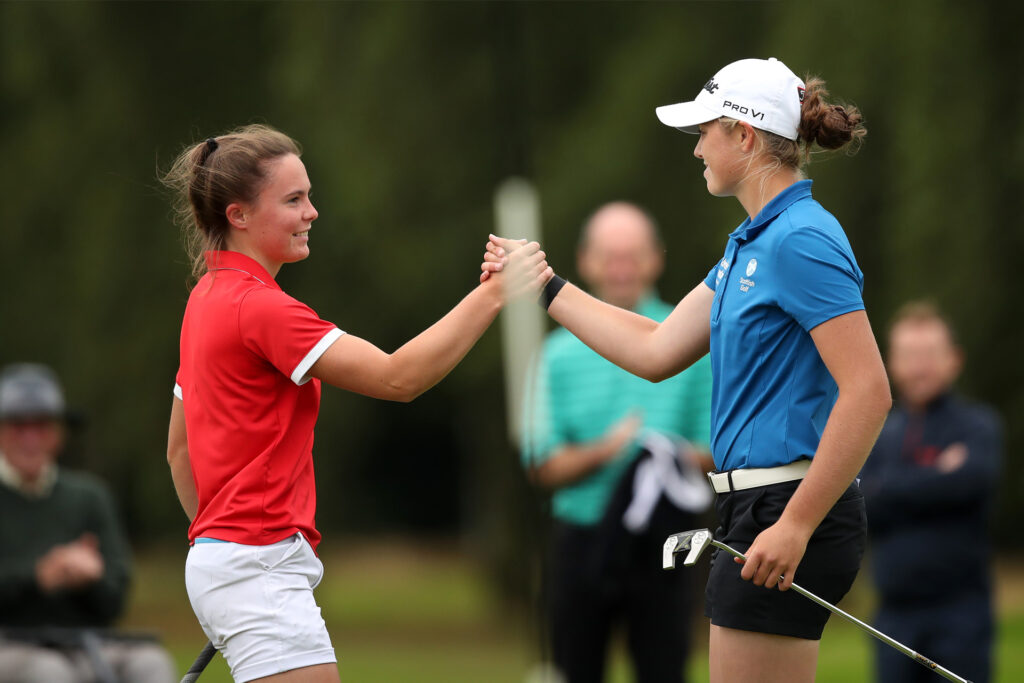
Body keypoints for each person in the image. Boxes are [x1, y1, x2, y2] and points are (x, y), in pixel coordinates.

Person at [484, 57, 892, 682]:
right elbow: (655, 350)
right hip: (752, 507)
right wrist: (544, 285)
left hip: (787, 505)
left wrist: (797, 524)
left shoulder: (801, 239)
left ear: (745, 135)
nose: (697, 148)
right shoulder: (751, 243)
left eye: (705, 131)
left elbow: (868, 392)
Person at [161, 124, 551, 683]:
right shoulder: (261, 309)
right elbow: (400, 378)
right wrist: (495, 293)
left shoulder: (205, 300)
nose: (312, 212)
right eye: (293, 200)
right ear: (239, 215)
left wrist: (216, 550)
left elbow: (178, 451)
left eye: (308, 196)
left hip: (232, 560)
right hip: (256, 561)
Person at [521, 201, 714, 683]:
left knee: (664, 669)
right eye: (609, 256)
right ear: (585, 261)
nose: (622, 267)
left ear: (656, 259)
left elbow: (719, 449)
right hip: (581, 538)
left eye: (633, 255)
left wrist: (659, 456)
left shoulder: (694, 338)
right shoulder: (555, 353)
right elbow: (541, 463)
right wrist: (609, 451)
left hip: (668, 540)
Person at [0, 363, 176, 683]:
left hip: (87, 641)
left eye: (41, 426)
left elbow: (115, 598)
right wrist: (39, 578)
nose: (30, 438)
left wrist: (90, 578)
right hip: (10, 644)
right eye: (18, 426)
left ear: (59, 433)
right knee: (49, 672)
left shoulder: (89, 497)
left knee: (151, 663)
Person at [859, 302, 1001, 683]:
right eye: (908, 355)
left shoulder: (978, 426)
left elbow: (971, 481)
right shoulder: (877, 434)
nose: (919, 366)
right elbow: (862, 504)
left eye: (929, 355)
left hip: (962, 616)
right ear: (891, 362)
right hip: (893, 618)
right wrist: (936, 475)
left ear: (954, 359)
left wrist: (889, 486)